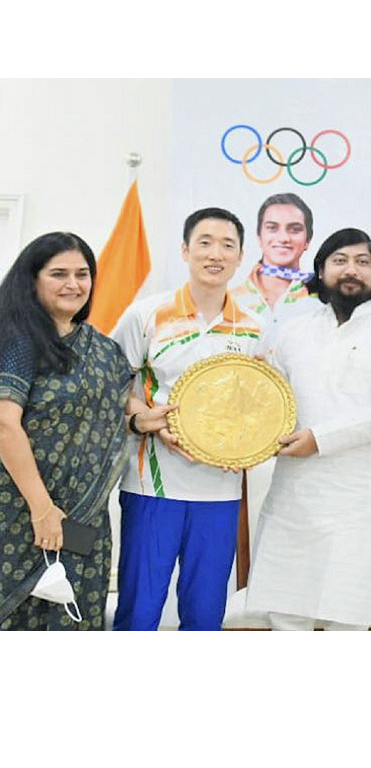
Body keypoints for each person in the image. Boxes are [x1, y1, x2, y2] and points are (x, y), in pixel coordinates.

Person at [245, 229, 371, 630]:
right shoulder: (290, 333)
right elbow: (272, 406)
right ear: (320, 270)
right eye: (340, 260)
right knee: (287, 618)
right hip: (295, 499)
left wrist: (320, 439)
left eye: (363, 262)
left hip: (358, 503)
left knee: (349, 622)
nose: (351, 270)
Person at [0, 233, 171, 630]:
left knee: (74, 618)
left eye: (82, 273)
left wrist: (139, 420)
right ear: (32, 279)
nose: (73, 284)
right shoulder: (17, 340)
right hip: (19, 515)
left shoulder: (103, 348)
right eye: (58, 273)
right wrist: (42, 511)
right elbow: (5, 424)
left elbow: (113, 408)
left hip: (83, 520)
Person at [111, 207, 263, 631]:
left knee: (204, 615)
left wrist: (250, 443)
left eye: (227, 245)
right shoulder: (146, 315)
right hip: (152, 485)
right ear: (185, 250)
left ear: (240, 256)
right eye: (205, 242)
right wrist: (145, 417)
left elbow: (261, 403)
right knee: (140, 611)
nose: (215, 254)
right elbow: (112, 384)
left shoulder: (254, 327)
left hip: (220, 489)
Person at [231, 192, 318, 323]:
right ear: (259, 237)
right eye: (272, 228)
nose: (283, 238)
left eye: (294, 229)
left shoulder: (322, 300)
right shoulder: (229, 300)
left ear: (308, 240)